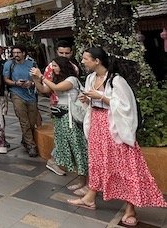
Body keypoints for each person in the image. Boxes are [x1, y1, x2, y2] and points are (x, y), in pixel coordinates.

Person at [67, 47, 166, 226]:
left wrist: (102, 97)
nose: (82, 61)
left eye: (85, 58)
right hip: (97, 125)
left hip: (115, 128)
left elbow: (126, 106)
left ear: (97, 61)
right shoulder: (90, 78)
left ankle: (130, 208)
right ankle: (90, 197)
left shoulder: (116, 80)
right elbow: (93, 102)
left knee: (124, 166)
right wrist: (89, 100)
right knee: (97, 162)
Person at [31, 57, 88, 189]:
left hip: (70, 119)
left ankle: (83, 181)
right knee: (66, 146)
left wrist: (42, 76)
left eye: (55, 66)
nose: (53, 69)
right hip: (60, 117)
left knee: (77, 147)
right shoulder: (58, 79)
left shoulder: (71, 80)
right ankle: (81, 179)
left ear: (62, 66)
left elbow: (55, 87)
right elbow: (45, 90)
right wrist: (36, 79)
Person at [42, 40, 80, 177]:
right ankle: (54, 160)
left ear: (72, 52)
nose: (64, 55)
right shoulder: (50, 68)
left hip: (74, 107)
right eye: (61, 53)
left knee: (71, 137)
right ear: (56, 52)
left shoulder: (74, 66)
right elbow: (47, 88)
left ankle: (64, 161)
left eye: (67, 53)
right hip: (59, 107)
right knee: (62, 137)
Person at [3, 45, 39, 157]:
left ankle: (25, 140)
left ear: (24, 53)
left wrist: (31, 83)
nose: (16, 55)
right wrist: (15, 83)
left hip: (30, 94)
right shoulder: (9, 64)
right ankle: (31, 146)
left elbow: (37, 79)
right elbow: (6, 79)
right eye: (14, 52)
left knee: (32, 121)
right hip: (16, 93)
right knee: (24, 121)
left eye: (18, 52)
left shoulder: (31, 63)